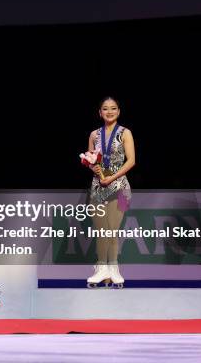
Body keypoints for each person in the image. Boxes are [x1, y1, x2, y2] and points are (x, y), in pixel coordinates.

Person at [86, 97, 135, 288]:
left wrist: (112, 177)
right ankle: (101, 270)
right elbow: (91, 159)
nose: (109, 111)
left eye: (113, 108)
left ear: (119, 111)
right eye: (105, 109)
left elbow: (131, 161)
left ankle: (114, 269)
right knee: (101, 231)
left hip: (121, 190)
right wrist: (95, 169)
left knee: (112, 230)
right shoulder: (93, 135)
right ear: (100, 112)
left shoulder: (125, 133)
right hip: (98, 188)